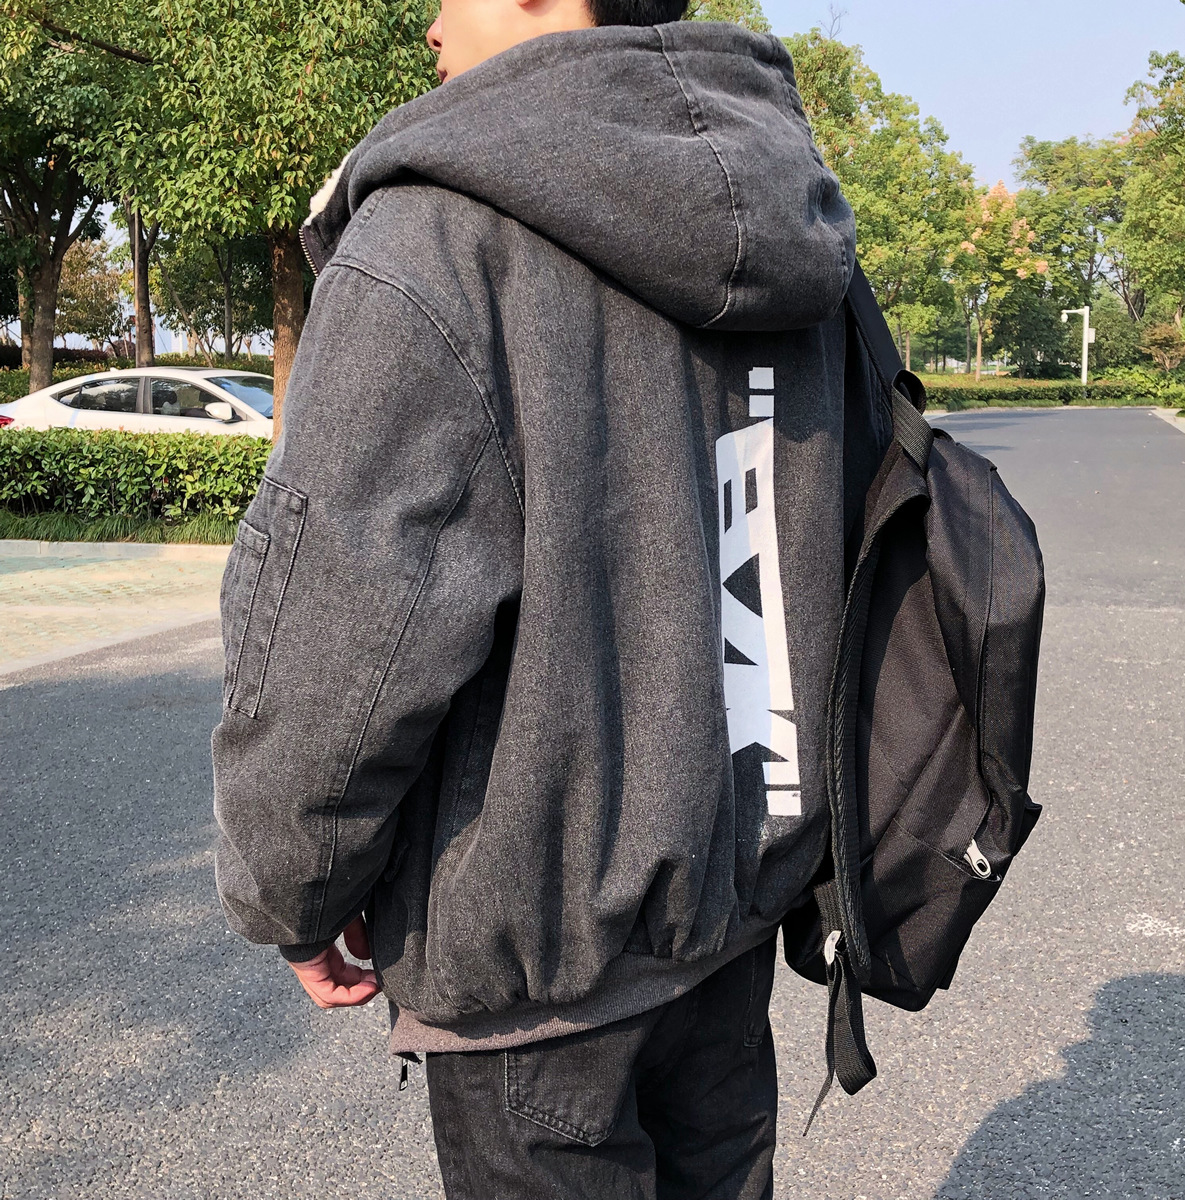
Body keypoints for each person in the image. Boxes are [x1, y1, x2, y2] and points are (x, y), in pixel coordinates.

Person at [212, 0, 857, 1195]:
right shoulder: (801, 234)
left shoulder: (437, 237)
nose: (428, 24)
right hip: (733, 918)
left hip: (538, 959)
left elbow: (340, 623)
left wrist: (293, 889)